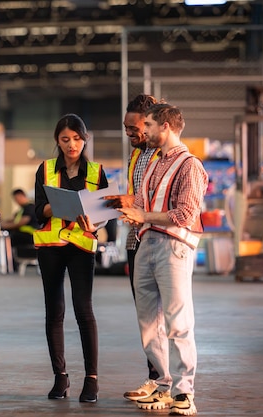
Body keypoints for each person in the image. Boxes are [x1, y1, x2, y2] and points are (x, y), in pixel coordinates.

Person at [113, 103, 208, 415]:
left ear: (165, 127)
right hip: (146, 243)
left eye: (150, 125)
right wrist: (128, 211)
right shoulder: (153, 162)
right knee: (150, 323)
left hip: (173, 247)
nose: (145, 131)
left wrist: (144, 215)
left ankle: (185, 392)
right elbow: (141, 201)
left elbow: (185, 214)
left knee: (178, 321)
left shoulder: (189, 165)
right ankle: (163, 386)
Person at [33, 113, 109, 403]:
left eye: (76, 139)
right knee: (54, 312)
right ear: (57, 141)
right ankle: (60, 377)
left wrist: (96, 223)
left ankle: (92, 379)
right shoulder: (46, 169)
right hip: (51, 246)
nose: (71, 144)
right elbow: (38, 209)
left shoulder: (96, 172)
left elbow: (105, 216)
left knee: (83, 309)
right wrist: (57, 206)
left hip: (81, 246)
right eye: (65, 139)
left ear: (84, 139)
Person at [119, 94, 161, 402]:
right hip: (136, 240)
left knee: (166, 314)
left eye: (135, 129)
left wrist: (131, 202)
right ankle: (156, 377)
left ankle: (168, 382)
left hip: (160, 240)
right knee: (146, 315)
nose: (130, 135)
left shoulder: (167, 155)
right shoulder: (137, 155)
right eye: (127, 129)